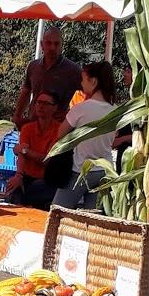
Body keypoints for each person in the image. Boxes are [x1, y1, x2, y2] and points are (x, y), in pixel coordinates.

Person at [54, 60, 117, 210]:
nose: (81, 84)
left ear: (93, 81)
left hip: (80, 170)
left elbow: (60, 134)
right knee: (93, 219)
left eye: (83, 80)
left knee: (57, 211)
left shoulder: (80, 109)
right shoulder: (116, 110)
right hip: (104, 171)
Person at [13, 26, 82, 125]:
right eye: (48, 43)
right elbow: (26, 91)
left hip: (57, 128)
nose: (52, 47)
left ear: (62, 45)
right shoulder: (33, 66)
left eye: (56, 44)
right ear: (42, 44)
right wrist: (17, 115)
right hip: (33, 124)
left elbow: (92, 94)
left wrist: (70, 113)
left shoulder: (73, 70)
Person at [5, 93, 61, 209]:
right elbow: (21, 154)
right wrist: (19, 176)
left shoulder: (59, 130)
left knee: (34, 191)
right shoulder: (27, 128)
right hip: (26, 177)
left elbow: (46, 160)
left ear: (55, 108)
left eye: (46, 103)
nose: (41, 106)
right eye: (38, 102)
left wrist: (25, 150)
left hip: (48, 180)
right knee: (13, 187)